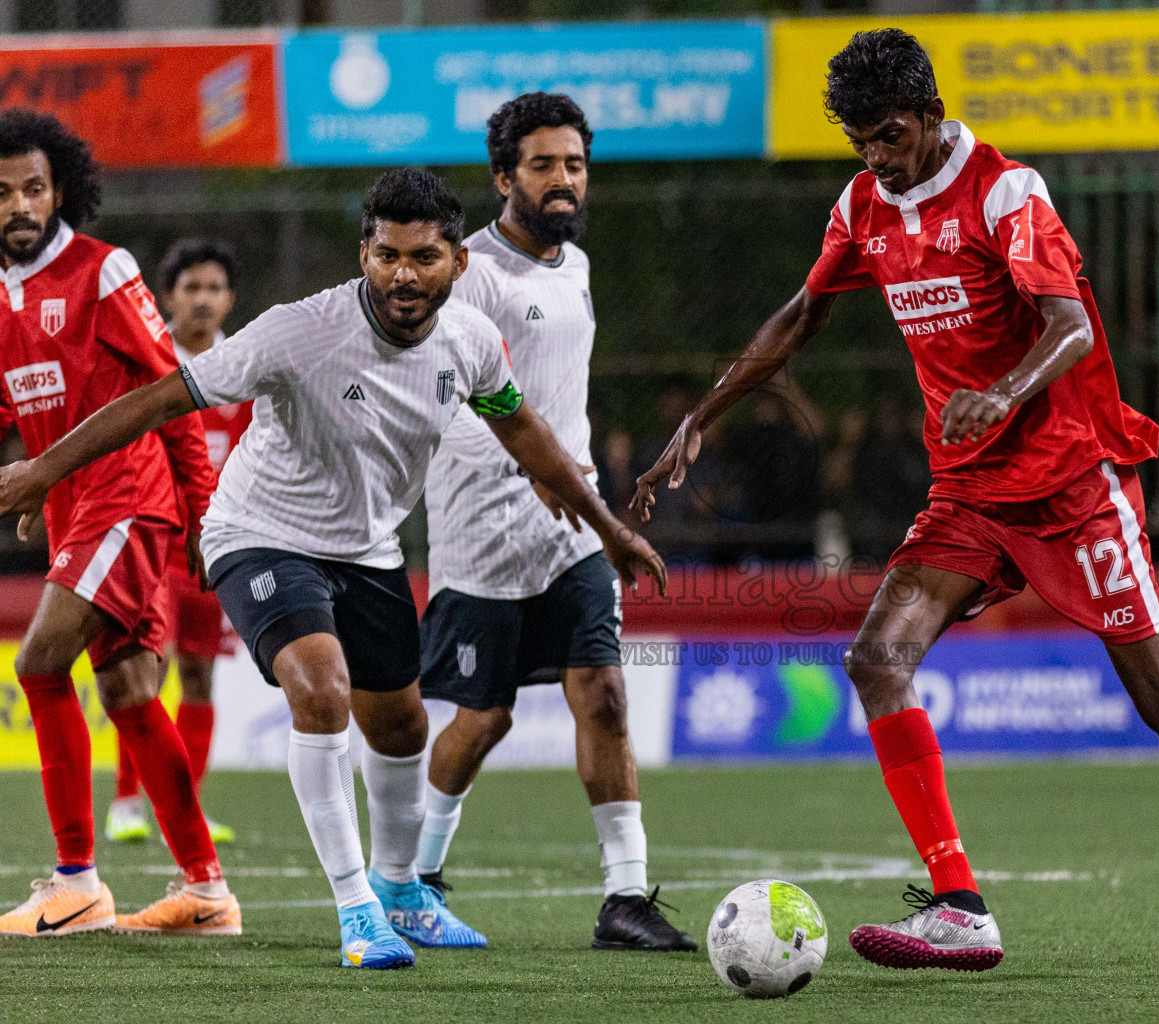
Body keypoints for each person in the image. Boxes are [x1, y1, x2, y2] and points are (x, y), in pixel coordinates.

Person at [633, 29, 1159, 973]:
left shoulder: (1006, 194)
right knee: (876, 659)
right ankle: (960, 904)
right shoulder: (864, 204)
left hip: (1070, 486)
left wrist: (1004, 392)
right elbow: (802, 315)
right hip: (972, 493)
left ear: (931, 114)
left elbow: (1065, 324)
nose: (876, 158)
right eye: (860, 141)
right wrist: (703, 415)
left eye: (889, 135)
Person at [0, 167, 667, 969]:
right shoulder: (298, 330)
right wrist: (43, 471)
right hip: (257, 532)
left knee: (402, 723)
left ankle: (399, 890)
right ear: (364, 255)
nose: (403, 275)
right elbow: (162, 399)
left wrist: (609, 530)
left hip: (367, 549)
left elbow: (525, 434)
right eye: (386, 255)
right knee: (319, 688)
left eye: (423, 258)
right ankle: (357, 909)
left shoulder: (471, 347)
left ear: (458, 264)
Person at [413, 93, 694, 952]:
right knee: (483, 719)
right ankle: (413, 875)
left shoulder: (573, 264)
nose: (564, 179)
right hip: (482, 527)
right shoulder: (471, 273)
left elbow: (556, 391)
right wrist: (527, 467)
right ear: (504, 177)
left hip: (571, 521)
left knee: (604, 695)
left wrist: (580, 480)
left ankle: (625, 897)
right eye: (543, 164)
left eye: (574, 163)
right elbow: (446, 397)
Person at [0, 109, 239, 937]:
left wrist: (204, 515)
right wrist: (37, 485)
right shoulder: (4, 298)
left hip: (128, 502)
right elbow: (23, 405)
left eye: (34, 187)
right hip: (78, 510)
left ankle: (75, 884)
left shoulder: (103, 272)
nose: (21, 205)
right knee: (134, 694)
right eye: (3, 194)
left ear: (60, 189)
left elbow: (175, 390)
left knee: (38, 664)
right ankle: (207, 894)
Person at [107, 238, 249, 846]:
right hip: (152, 540)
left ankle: (184, 812)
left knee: (199, 677)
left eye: (214, 288)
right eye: (191, 287)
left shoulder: (244, 367)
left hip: (213, 549)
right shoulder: (148, 357)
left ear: (230, 299)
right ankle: (127, 804)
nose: (202, 299)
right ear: (168, 297)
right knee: (143, 667)